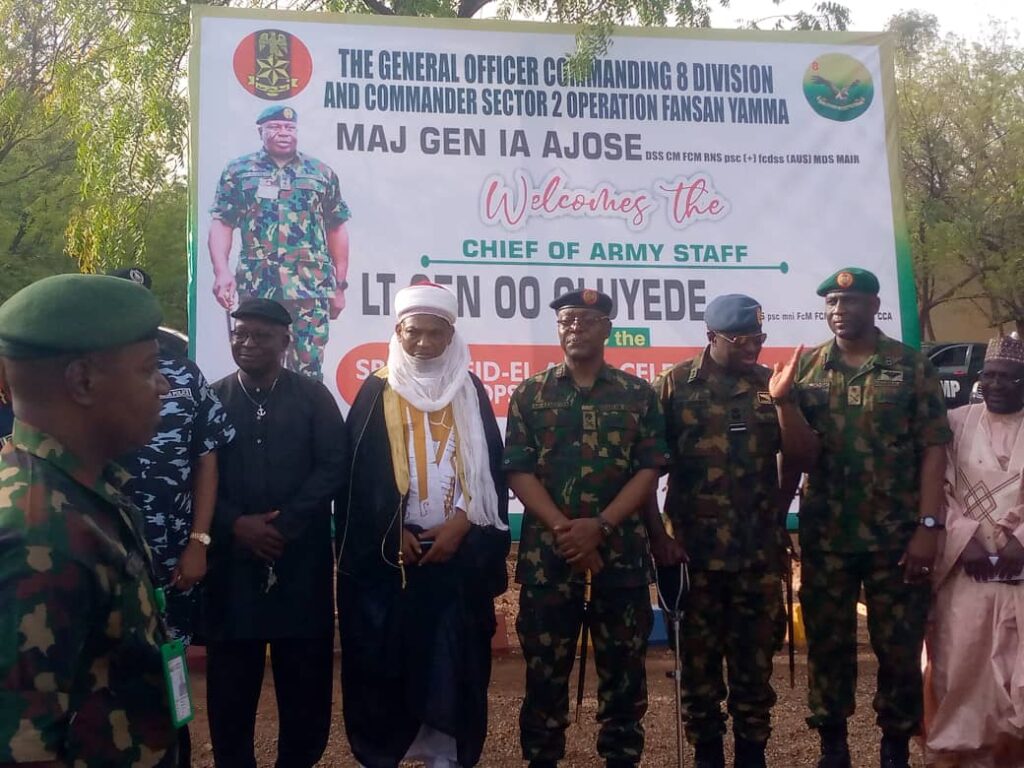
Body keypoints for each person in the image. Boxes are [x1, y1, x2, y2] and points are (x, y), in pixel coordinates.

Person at [0, 274, 177, 765]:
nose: (163, 385)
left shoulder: (81, 491)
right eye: (148, 369)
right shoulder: (35, 535)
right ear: (83, 381)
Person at [337, 282, 510, 768]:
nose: (424, 344)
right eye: (415, 333)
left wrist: (462, 524)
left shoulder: (469, 389)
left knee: (454, 661)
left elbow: (489, 471)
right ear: (398, 330)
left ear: (452, 335)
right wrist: (390, 532)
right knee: (385, 660)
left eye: (437, 334)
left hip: (458, 555)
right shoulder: (377, 390)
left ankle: (447, 756)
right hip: (394, 561)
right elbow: (357, 479)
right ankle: (387, 753)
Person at [646, 294, 818, 768]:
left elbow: (803, 457)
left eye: (759, 339)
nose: (753, 348)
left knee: (754, 668)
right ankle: (706, 755)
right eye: (742, 340)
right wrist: (659, 539)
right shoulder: (675, 386)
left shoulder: (772, 385)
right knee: (698, 672)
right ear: (712, 337)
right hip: (694, 557)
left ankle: (751, 755)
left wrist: (784, 404)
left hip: (757, 556)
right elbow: (646, 469)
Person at [791, 268, 951, 768]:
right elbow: (795, 453)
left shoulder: (910, 365)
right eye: (833, 304)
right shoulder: (808, 367)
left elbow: (933, 449)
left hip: (896, 536)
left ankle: (894, 749)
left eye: (850, 302)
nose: (840, 311)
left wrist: (928, 526)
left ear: (874, 305)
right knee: (828, 646)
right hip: (827, 536)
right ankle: (832, 747)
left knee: (898, 648)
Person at [504, 288, 671, 768]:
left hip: (620, 559)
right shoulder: (530, 393)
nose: (575, 326)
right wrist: (566, 529)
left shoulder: (637, 394)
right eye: (567, 319)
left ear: (607, 330)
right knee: (544, 678)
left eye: (587, 319)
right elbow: (517, 469)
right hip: (548, 560)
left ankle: (621, 759)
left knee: (624, 677)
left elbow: (649, 468)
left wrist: (600, 526)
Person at [204, 297, 346, 768]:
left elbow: (332, 468)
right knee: (229, 691)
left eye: (260, 335)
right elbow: (196, 474)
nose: (247, 343)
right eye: (239, 334)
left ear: (286, 341)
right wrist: (235, 525)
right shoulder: (214, 398)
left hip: (299, 564)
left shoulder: (314, 398)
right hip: (232, 568)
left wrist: (286, 525)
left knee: (305, 689)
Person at [110, 266, 236, 767]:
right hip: (109, 549)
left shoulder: (183, 373)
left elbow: (207, 456)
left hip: (173, 557)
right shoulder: (88, 374)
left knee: (172, 674)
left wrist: (199, 541)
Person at [926, 335, 1024, 768]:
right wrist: (964, 542)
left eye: (1008, 377)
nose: (996, 385)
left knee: (1016, 680)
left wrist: (1021, 541)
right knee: (961, 670)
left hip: (1019, 575)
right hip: (967, 574)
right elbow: (936, 488)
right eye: (989, 376)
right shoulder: (955, 422)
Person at [208, 105, 351, 382]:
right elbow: (222, 223)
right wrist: (222, 271)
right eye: (275, 127)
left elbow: (337, 227)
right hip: (259, 286)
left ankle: (306, 424)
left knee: (308, 372)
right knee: (257, 366)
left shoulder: (320, 172)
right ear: (261, 131)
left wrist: (340, 285)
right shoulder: (239, 171)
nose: (283, 133)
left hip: (310, 289)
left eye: (289, 128)